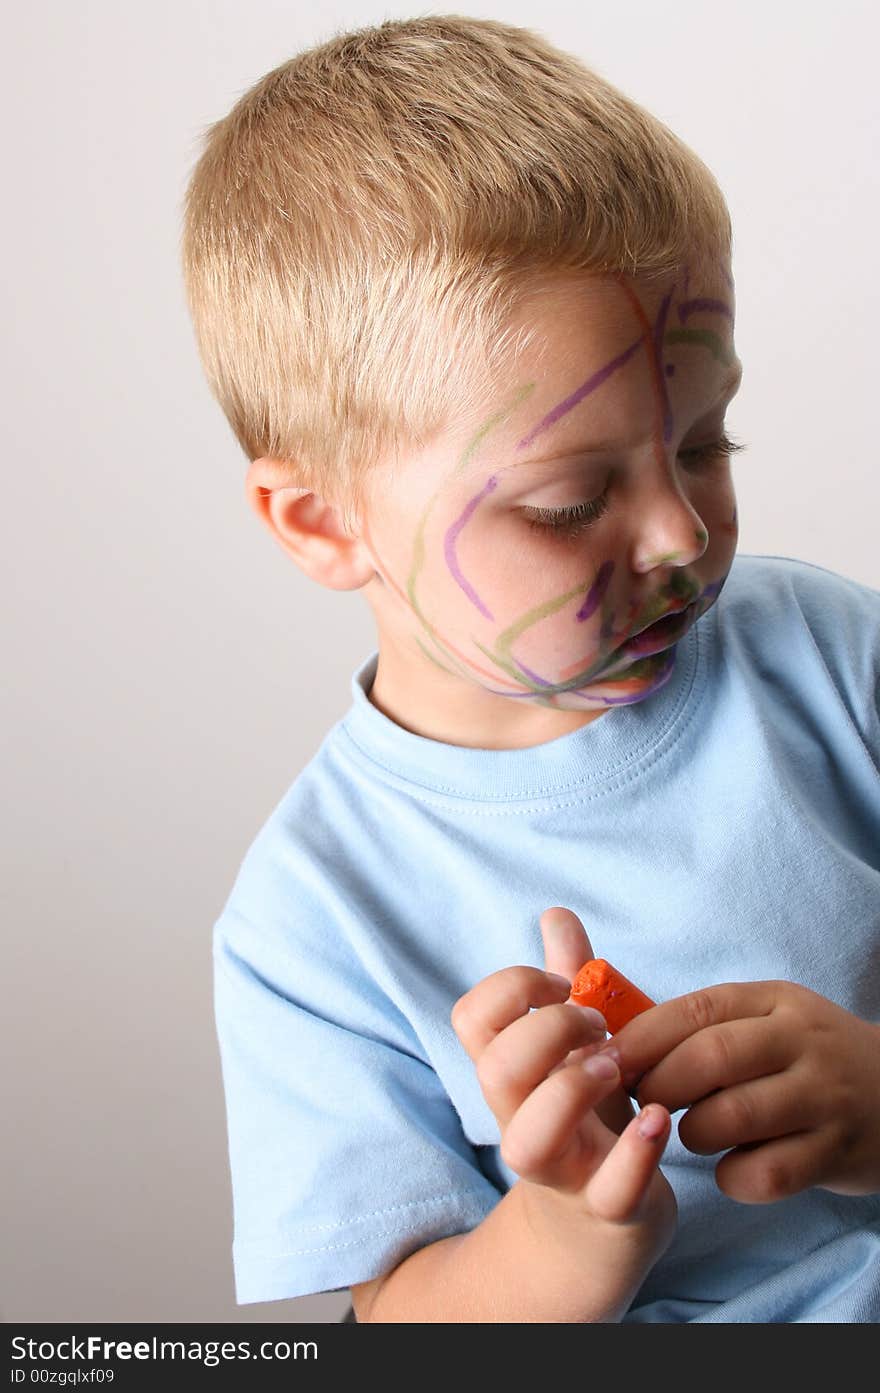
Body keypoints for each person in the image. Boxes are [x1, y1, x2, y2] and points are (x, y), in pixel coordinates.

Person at [180, 15, 880, 1322]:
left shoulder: (832, 659)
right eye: (569, 500)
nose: (681, 532)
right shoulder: (313, 921)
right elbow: (398, 1323)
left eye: (708, 441)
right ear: (325, 522)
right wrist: (567, 1229)